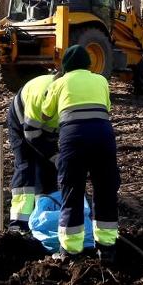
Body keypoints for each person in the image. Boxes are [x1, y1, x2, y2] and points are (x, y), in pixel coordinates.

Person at [39, 44, 120, 262]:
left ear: (65, 65)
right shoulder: (101, 80)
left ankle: (71, 251)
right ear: (88, 63)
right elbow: (106, 107)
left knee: (72, 190)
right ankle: (107, 247)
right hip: (104, 135)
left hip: (73, 138)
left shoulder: (61, 82)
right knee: (105, 188)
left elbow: (46, 114)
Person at [6, 70, 60, 233]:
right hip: (22, 121)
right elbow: (31, 134)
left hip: (47, 128)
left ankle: (44, 214)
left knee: (49, 169)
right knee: (26, 164)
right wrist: (55, 156)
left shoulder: (70, 98)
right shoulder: (41, 97)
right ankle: (19, 221)